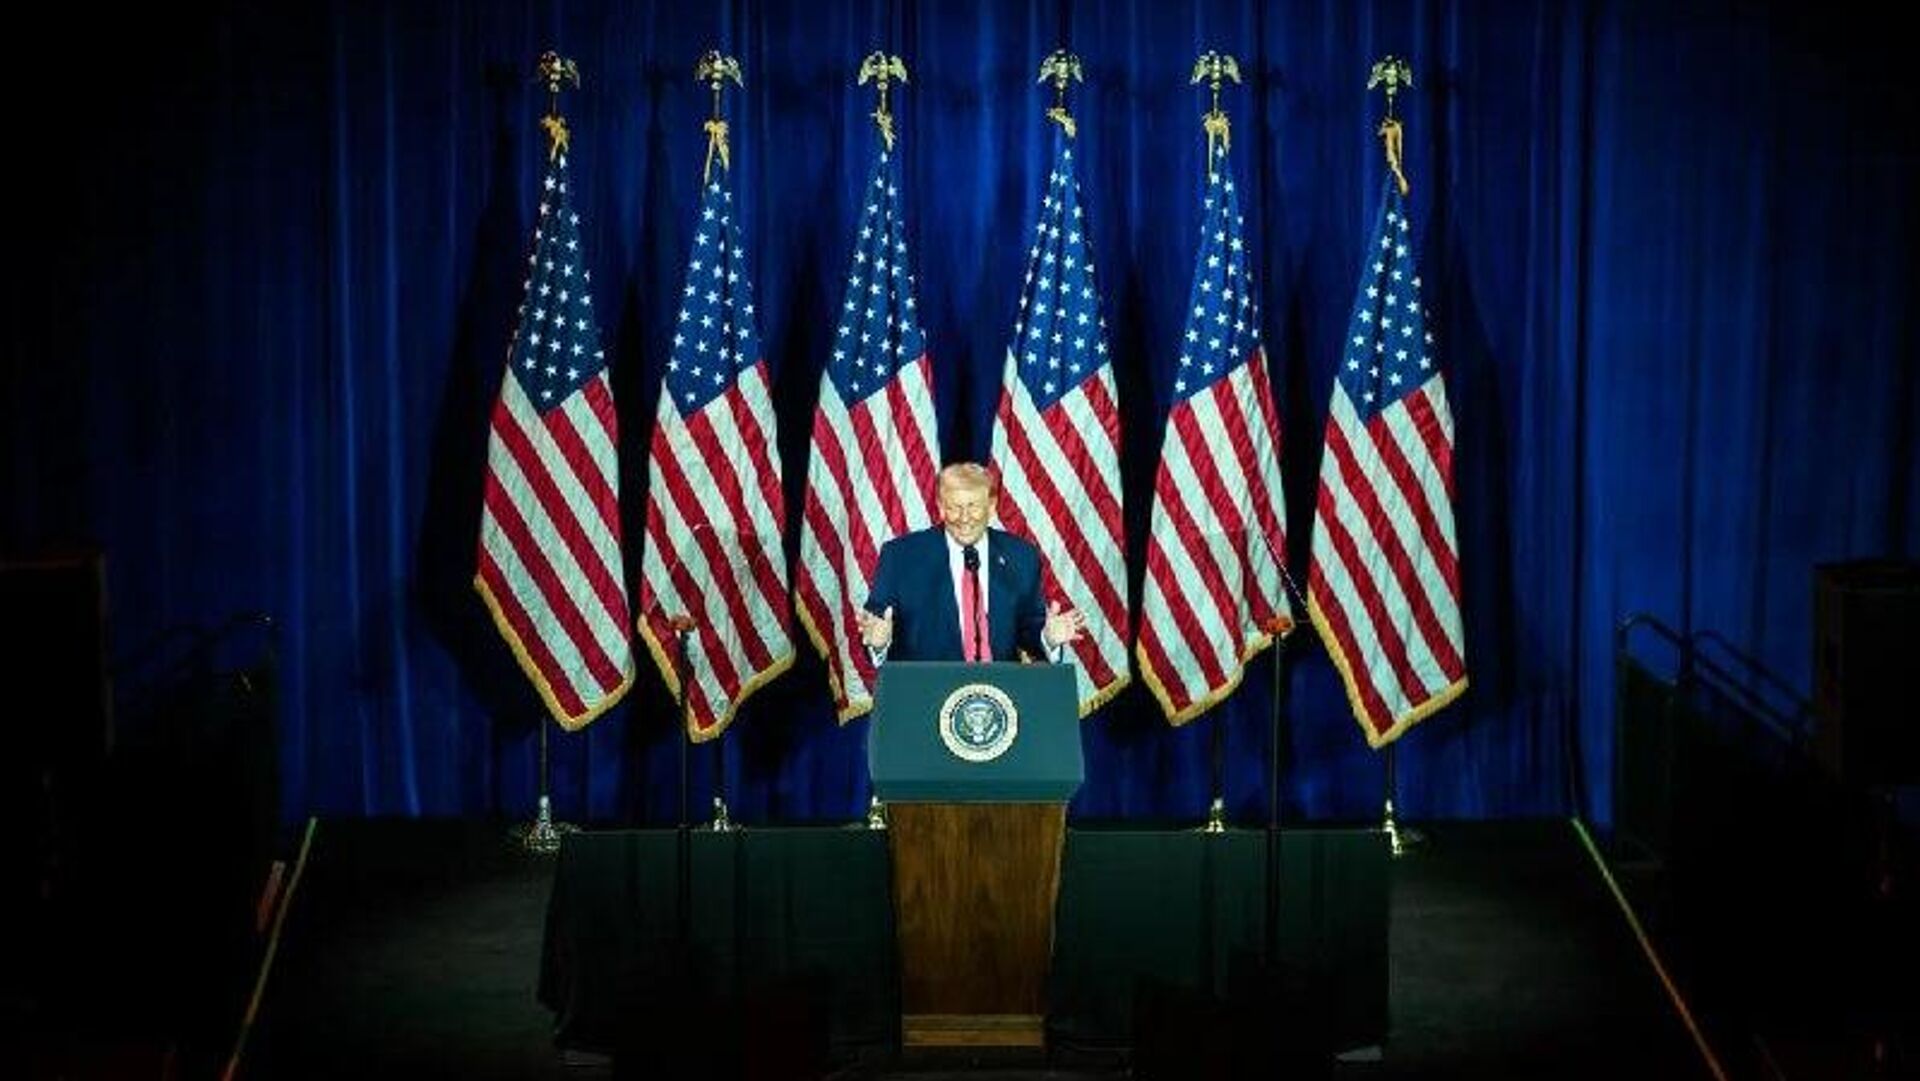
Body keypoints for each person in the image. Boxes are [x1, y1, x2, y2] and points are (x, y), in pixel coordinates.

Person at [858, 462, 1086, 662]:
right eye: (954, 507)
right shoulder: (901, 557)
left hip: (998, 690)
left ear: (991, 506)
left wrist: (1048, 638)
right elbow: (876, 624)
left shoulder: (1021, 555)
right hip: (926, 690)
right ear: (940, 507)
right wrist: (879, 643)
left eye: (973, 506)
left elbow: (1028, 627)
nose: (964, 518)